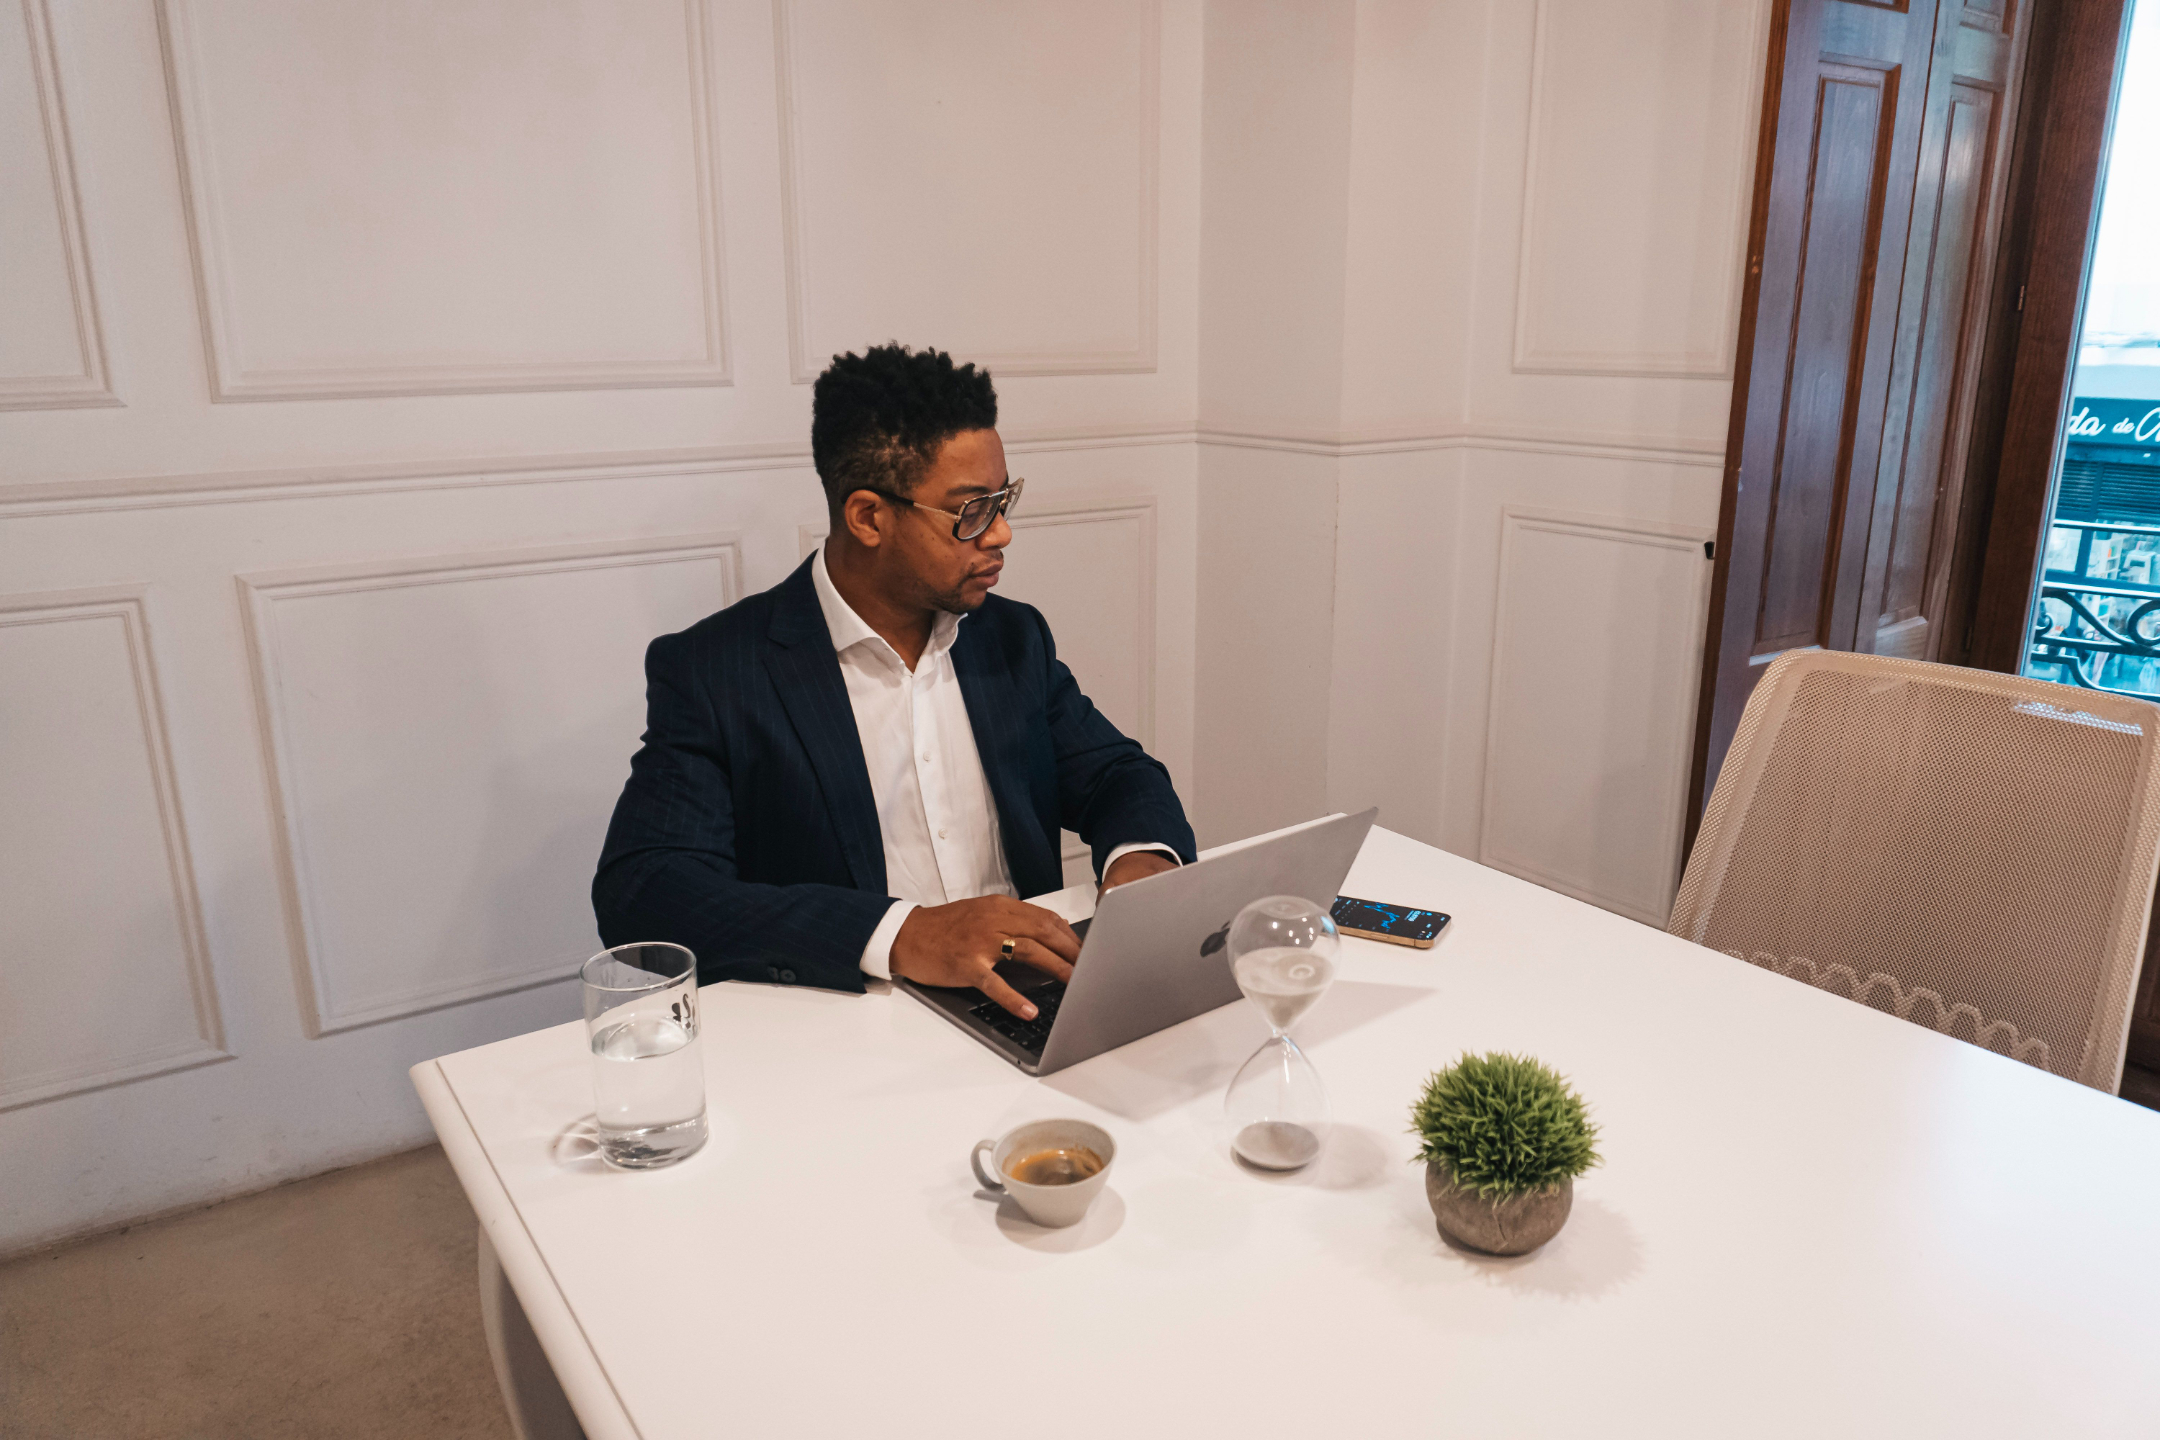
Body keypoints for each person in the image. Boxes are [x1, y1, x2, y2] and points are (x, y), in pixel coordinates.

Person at [593, 344, 1197, 1020]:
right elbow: (646, 891)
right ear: (869, 517)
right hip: (850, 1025)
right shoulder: (719, 671)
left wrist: (1143, 869)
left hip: (1030, 1005)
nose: (1000, 533)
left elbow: (1117, 775)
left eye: (1003, 499)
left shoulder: (1010, 639)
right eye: (971, 511)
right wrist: (901, 935)